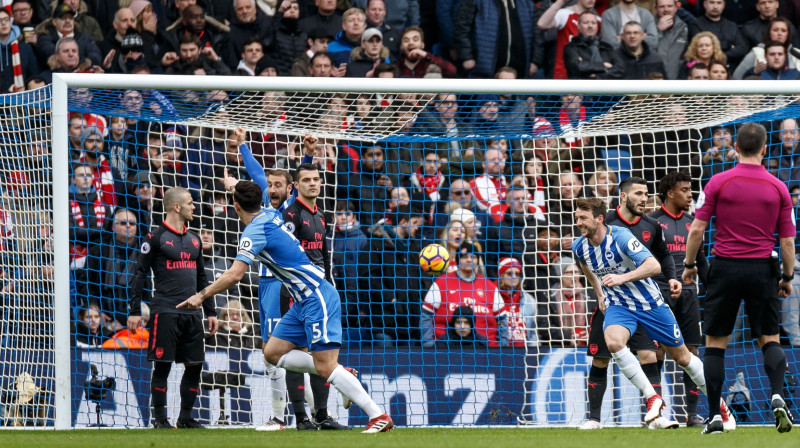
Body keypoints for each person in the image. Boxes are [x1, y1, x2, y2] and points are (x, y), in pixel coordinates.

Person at [177, 180, 394, 433]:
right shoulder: (270, 212)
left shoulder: (252, 232)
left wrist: (201, 295)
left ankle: (378, 415)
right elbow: (258, 179)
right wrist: (234, 184)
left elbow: (235, 275)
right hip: (301, 301)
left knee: (324, 366)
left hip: (316, 295)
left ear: (236, 206)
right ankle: (343, 373)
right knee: (272, 352)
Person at [683, 122, 795, 434]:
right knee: (769, 338)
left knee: (716, 342)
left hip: (725, 267)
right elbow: (787, 242)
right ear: (763, 149)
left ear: (735, 149)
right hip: (762, 270)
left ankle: (715, 416)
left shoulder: (718, 182)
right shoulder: (778, 187)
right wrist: (787, 276)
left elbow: (696, 229)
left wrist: (690, 264)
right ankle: (776, 394)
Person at [572, 197, 716, 432]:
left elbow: (654, 266)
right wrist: (600, 293)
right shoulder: (579, 245)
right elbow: (585, 266)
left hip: (650, 304)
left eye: (582, 218)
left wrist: (621, 278)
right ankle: (651, 398)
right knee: (614, 343)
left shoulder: (620, 236)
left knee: (682, 357)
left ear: (599, 219)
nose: (578, 222)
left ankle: (719, 405)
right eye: (576, 217)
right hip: (619, 306)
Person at [128, 187, 218, 430]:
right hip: (165, 311)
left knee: (195, 365)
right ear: (176, 207)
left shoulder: (195, 239)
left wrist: (210, 311)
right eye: (190, 203)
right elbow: (140, 274)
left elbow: (202, 279)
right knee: (163, 366)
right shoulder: (155, 238)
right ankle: (160, 420)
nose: (194, 206)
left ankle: (185, 417)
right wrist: (135, 310)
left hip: (192, 314)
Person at [649, 171, 708, 427]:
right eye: (684, 190)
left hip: (688, 294)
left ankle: (692, 414)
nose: (690, 194)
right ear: (670, 193)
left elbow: (701, 258)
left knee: (692, 351)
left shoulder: (693, 222)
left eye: (690, 189)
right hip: (659, 292)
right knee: (656, 352)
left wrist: (711, 285)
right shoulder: (651, 222)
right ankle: (656, 413)